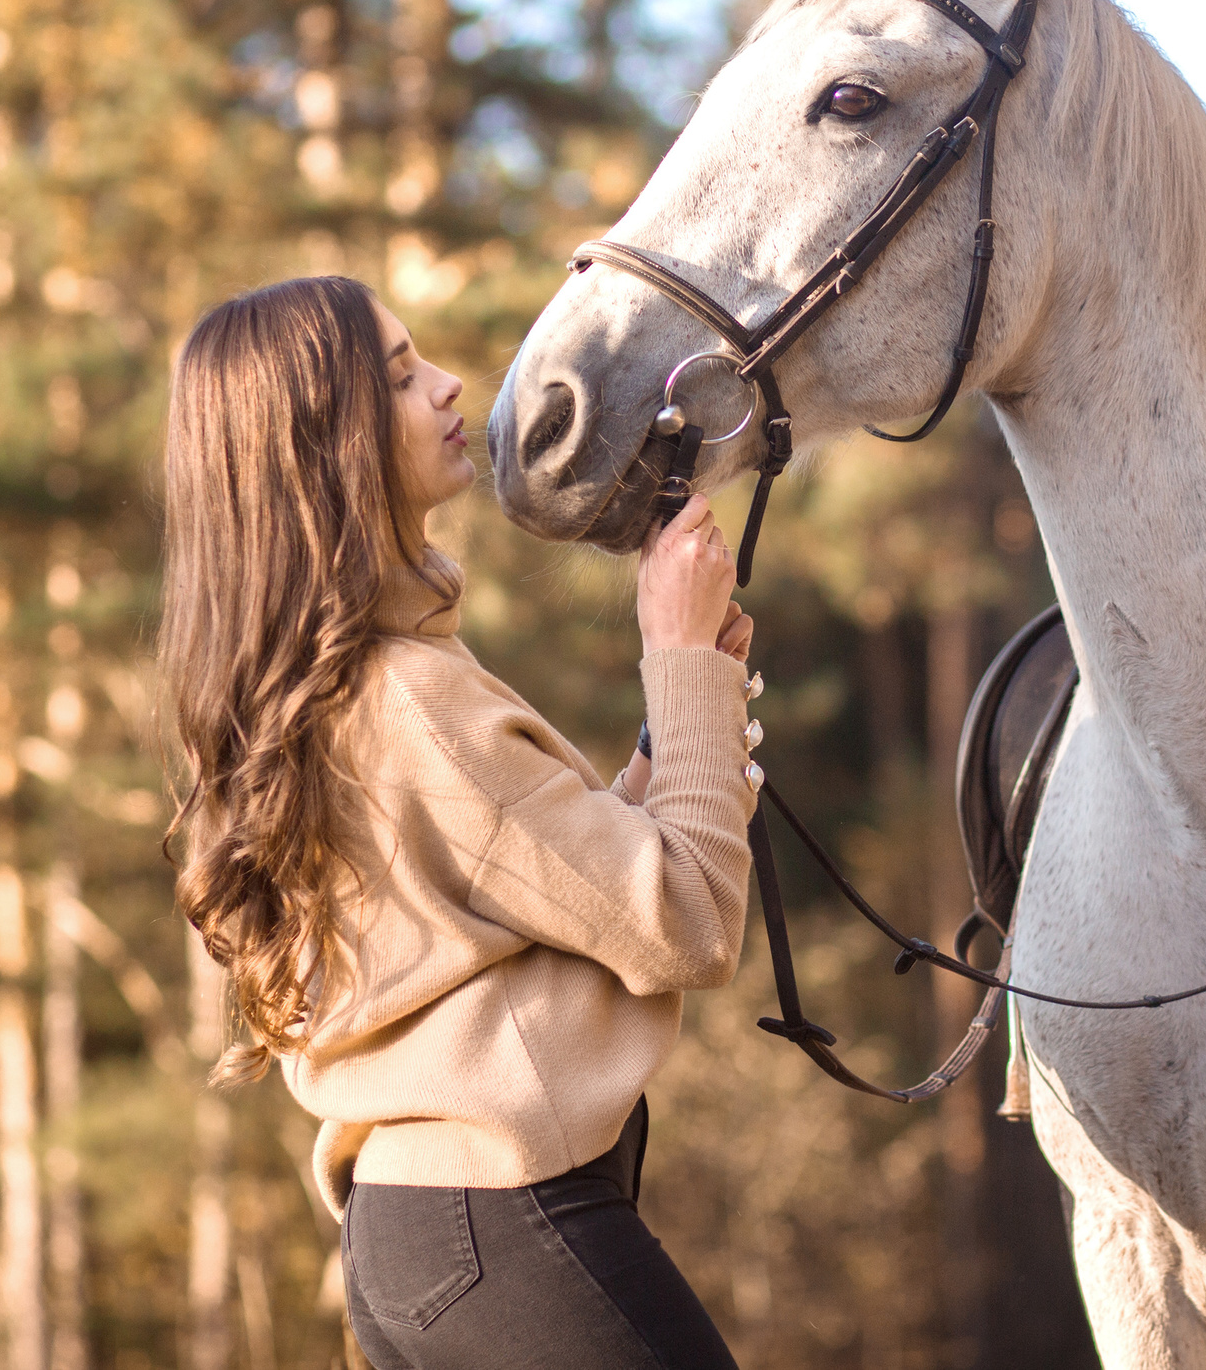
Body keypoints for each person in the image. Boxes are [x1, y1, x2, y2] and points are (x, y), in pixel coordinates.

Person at [157, 275, 758, 1370]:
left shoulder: (357, 682)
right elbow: (687, 920)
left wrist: (682, 729)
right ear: (322, 441)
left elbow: (559, 890)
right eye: (397, 377)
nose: (446, 387)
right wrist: (674, 657)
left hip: (427, 1242)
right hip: (506, 1224)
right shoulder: (408, 697)